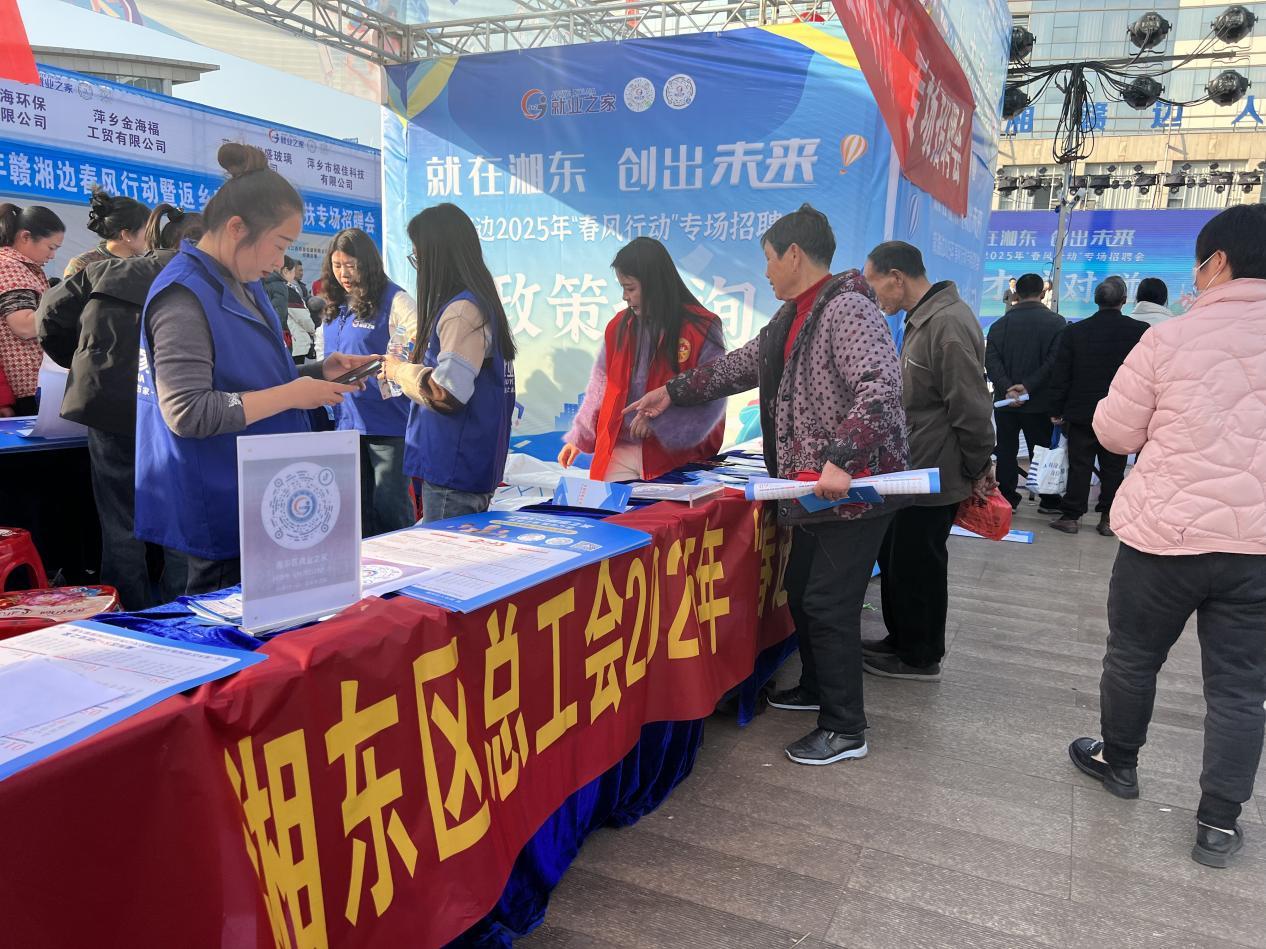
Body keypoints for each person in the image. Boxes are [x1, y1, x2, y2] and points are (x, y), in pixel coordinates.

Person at [627, 204, 909, 766]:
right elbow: (735, 367)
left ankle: (846, 728)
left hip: (853, 492)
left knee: (828, 603)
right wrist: (671, 393)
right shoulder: (791, 317)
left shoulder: (847, 308)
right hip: (812, 493)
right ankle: (817, 689)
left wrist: (841, 459)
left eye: (769, 259)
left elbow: (881, 388)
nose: (766, 271)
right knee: (802, 592)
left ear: (794, 255)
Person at [1068, 204, 1266, 869]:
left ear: (1218, 262)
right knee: (1240, 688)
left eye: (1199, 264)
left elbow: (1116, 433)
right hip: (1258, 549)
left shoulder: (1168, 339)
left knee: (1133, 657)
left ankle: (1119, 763)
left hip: (1164, 537)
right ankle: (1218, 822)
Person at [134, 143, 374, 595]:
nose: (280, 262)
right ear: (236, 228)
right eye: (280, 245)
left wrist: (319, 371)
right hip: (220, 496)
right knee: (226, 622)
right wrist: (294, 394)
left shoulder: (241, 281)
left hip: (263, 495)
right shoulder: (183, 295)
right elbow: (187, 411)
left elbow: (252, 373)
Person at [36, 204, 204, 610]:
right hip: (175, 410)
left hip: (108, 406)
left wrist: (82, 360)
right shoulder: (201, 281)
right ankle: (178, 610)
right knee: (178, 516)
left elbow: (49, 316)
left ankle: (126, 610)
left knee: (119, 520)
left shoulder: (102, 272)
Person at [861, 241, 995, 682]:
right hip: (912, 468)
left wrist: (978, 467)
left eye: (875, 284)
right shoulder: (923, 319)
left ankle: (920, 656)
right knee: (898, 558)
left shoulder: (947, 323)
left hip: (935, 471)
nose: (874, 296)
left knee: (920, 564)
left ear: (896, 277)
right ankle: (901, 639)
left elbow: (971, 407)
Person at [382, 204, 516, 523]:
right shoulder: (475, 303)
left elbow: (448, 394)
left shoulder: (461, 312)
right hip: (466, 465)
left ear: (439, 258)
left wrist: (398, 371)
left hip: (454, 470)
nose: (418, 268)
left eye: (419, 258)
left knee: (448, 552)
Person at [558, 237, 726, 481]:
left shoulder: (701, 328)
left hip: (675, 457)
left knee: (664, 508)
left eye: (630, 288)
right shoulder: (618, 326)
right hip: (620, 450)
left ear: (655, 285)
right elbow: (600, 386)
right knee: (609, 506)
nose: (625, 297)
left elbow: (714, 397)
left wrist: (662, 422)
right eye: (623, 288)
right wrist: (580, 437)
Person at [321, 228, 415, 535]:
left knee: (389, 508)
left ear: (368, 264)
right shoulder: (334, 305)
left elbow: (421, 339)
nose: (344, 274)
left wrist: (395, 367)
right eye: (337, 266)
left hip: (386, 423)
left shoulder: (394, 299)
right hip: (345, 422)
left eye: (351, 265)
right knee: (353, 511)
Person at [1039, 276, 1147, 537]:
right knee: (1114, 467)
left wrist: (1056, 409)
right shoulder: (1140, 331)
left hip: (1081, 411)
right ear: (1124, 301)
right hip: (1120, 412)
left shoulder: (1075, 331)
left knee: (1079, 465)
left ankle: (1071, 516)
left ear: (1096, 300)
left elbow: (1061, 374)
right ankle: (1109, 518)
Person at [985, 271, 1067, 512]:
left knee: (1006, 451)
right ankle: (1049, 500)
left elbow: (991, 361)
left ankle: (1007, 498)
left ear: (1016, 294)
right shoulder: (1057, 323)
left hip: (1005, 402)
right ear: (1042, 293)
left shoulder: (999, 325)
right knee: (1040, 451)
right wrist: (1028, 386)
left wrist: (1007, 388)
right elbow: (1054, 362)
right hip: (1039, 402)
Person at [0, 203, 64, 417]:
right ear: (25, 237)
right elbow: (24, 326)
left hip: (29, 383)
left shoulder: (23, 267)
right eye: (51, 247)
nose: (52, 256)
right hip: (24, 385)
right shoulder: (10, 266)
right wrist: (68, 308)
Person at [63, 188, 150, 279]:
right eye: (147, 230)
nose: (151, 236)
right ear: (126, 234)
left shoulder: (146, 265)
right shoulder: (82, 265)